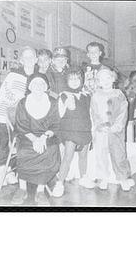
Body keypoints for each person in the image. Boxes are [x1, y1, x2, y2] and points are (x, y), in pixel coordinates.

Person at [12, 73, 61, 206]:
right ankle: (22, 188)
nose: (38, 86)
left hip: (47, 136)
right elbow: (21, 125)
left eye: (41, 84)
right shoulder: (23, 103)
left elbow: (55, 124)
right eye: (35, 83)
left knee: (49, 150)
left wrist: (44, 137)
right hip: (27, 136)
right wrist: (35, 139)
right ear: (30, 86)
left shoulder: (53, 102)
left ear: (46, 87)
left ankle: (40, 190)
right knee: (23, 151)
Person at [0, 46, 37, 187]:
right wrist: (17, 99)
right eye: (26, 57)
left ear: (36, 59)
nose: (29, 60)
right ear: (21, 60)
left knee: (16, 145)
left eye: (31, 57)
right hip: (5, 116)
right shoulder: (13, 75)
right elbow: (3, 91)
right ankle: (0, 173)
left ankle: (9, 171)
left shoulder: (36, 77)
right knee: (3, 144)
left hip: (22, 118)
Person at [52, 66, 94, 197]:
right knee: (67, 157)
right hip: (70, 130)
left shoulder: (87, 96)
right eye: (71, 79)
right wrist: (65, 105)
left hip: (84, 129)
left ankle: (83, 177)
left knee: (83, 156)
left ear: (82, 80)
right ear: (66, 80)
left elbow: (91, 114)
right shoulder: (63, 95)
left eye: (78, 78)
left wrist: (92, 131)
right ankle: (59, 183)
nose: (75, 81)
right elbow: (58, 114)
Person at [91, 67, 135, 191]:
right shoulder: (95, 96)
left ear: (113, 79)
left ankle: (122, 177)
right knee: (101, 154)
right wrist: (100, 125)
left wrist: (117, 125)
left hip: (116, 131)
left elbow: (123, 111)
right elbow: (95, 113)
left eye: (108, 78)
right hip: (101, 131)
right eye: (102, 79)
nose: (105, 81)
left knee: (118, 153)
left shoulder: (119, 94)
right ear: (98, 82)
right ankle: (103, 176)